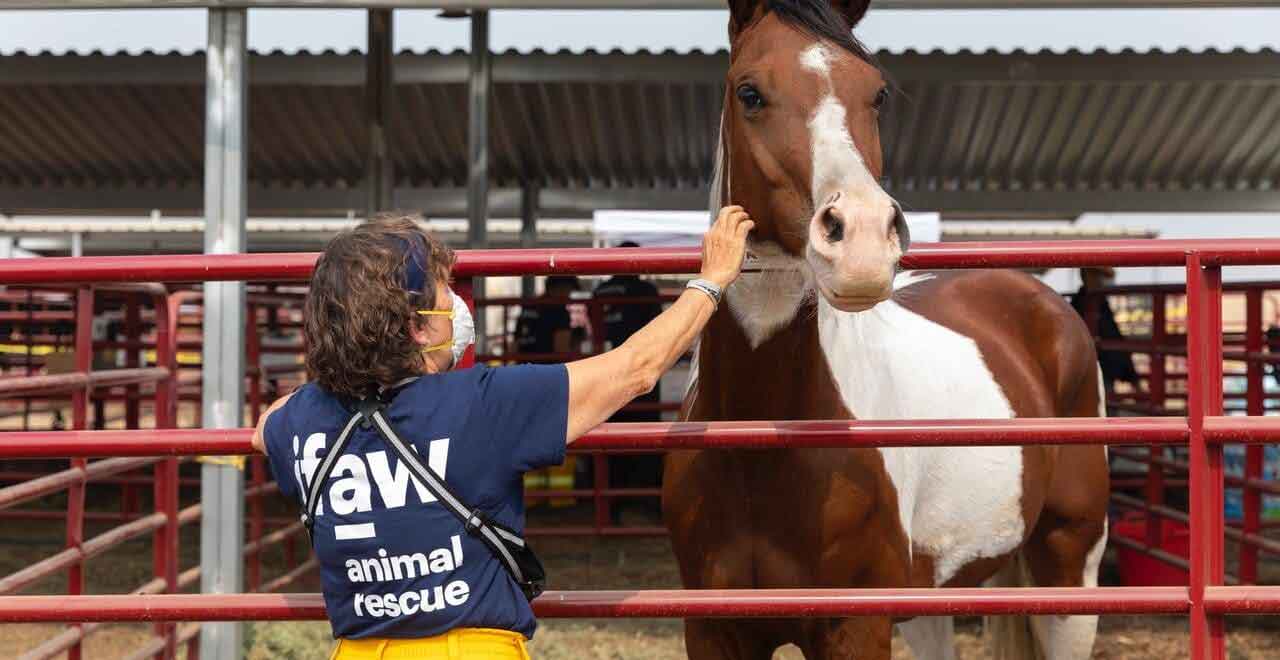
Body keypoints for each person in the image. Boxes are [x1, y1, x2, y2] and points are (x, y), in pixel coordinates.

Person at [251, 207, 752, 658]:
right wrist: (711, 281)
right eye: (444, 295)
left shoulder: (298, 422)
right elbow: (635, 369)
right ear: (416, 327)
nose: (455, 306)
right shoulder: (482, 404)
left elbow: (265, 426)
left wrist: (340, 370)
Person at [591, 242, 665, 522]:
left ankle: (611, 507)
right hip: (644, 367)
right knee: (647, 435)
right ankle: (650, 501)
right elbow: (658, 328)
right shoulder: (646, 291)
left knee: (610, 435)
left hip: (607, 369)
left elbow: (595, 327)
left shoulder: (600, 291)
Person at [1071, 266, 1139, 392]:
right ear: (1089, 275)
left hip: (1091, 369)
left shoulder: (1082, 302)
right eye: (1101, 275)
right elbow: (1112, 335)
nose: (1105, 280)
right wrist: (1132, 376)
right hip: (1097, 370)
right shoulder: (1090, 303)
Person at [512, 275, 581, 363]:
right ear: (562, 288)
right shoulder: (559, 310)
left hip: (522, 367)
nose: (569, 296)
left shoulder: (528, 306)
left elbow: (514, 344)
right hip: (547, 369)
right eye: (569, 291)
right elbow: (561, 349)